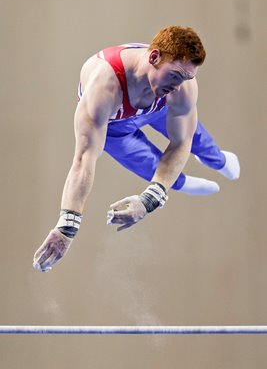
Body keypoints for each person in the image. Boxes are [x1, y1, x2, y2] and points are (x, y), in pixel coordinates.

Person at [33, 26, 240, 272]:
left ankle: (217, 161)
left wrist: (149, 200)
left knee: (198, 142)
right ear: (154, 58)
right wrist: (67, 227)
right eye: (174, 75)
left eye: (186, 78)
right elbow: (83, 159)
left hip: (159, 109)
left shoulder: (182, 87)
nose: (178, 85)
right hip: (114, 126)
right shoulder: (104, 87)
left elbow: (180, 143)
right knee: (150, 167)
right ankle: (182, 183)